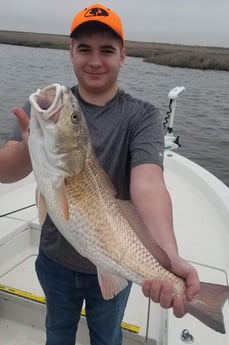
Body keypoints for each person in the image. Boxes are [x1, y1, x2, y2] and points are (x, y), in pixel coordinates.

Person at [0, 3, 200, 345]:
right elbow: (6, 173)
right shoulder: (48, 111)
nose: (95, 60)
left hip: (115, 261)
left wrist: (168, 256)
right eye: (84, 49)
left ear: (123, 55)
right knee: (57, 332)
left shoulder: (142, 116)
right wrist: (26, 147)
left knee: (107, 337)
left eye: (107, 50)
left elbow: (149, 183)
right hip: (54, 259)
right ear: (71, 53)